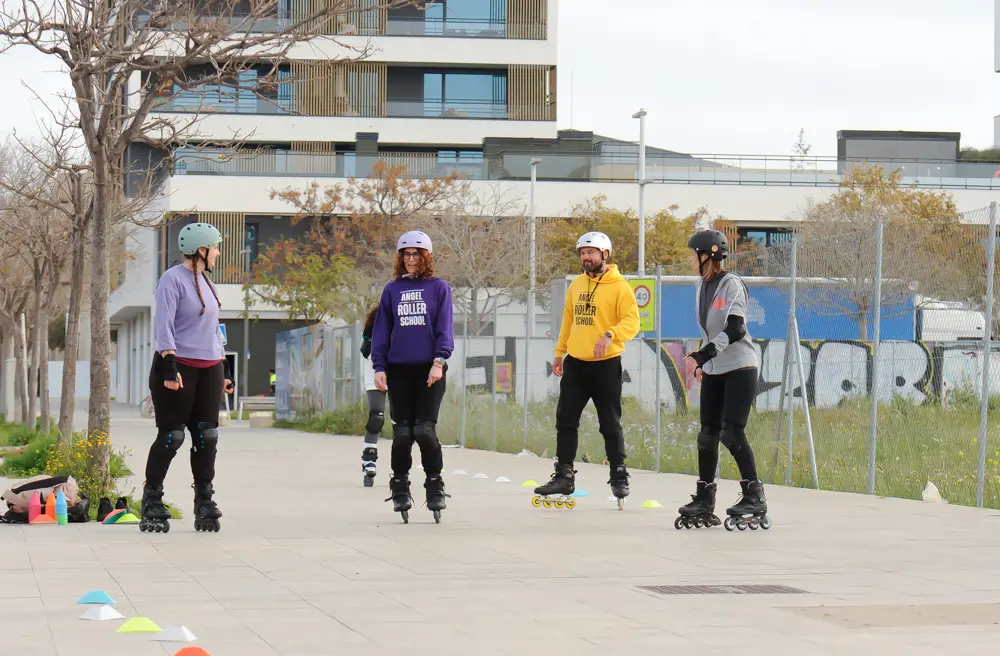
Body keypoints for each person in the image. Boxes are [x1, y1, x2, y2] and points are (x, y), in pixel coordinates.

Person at [533, 231, 640, 509]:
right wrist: (560, 354)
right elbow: (568, 322)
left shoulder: (619, 287)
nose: (586, 258)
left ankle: (619, 474)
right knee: (565, 419)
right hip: (576, 364)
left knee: (610, 423)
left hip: (606, 365)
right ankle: (564, 475)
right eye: (582, 253)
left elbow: (632, 321)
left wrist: (609, 335)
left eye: (591, 253)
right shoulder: (576, 285)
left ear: (604, 254)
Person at [142, 222, 234, 534]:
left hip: (209, 367)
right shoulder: (172, 280)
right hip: (177, 366)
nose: (218, 253)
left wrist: (225, 370)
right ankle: (152, 499)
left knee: (207, 435)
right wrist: (169, 367)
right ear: (201, 250)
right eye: (215, 247)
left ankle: (204, 501)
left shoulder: (207, 281)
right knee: (172, 436)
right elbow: (164, 325)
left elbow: (211, 328)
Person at [675, 229, 770, 531]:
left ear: (708, 255)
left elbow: (736, 329)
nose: (691, 260)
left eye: (694, 255)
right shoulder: (701, 286)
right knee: (707, 435)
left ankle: (754, 495)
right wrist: (706, 360)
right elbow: (707, 330)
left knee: (732, 432)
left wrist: (701, 356)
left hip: (741, 365)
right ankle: (704, 498)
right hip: (716, 368)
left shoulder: (732, 285)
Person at [371, 230, 455, 522]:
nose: (410, 259)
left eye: (416, 255)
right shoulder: (392, 290)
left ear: (426, 258)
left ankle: (435, 485)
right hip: (399, 370)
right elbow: (381, 332)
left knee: (424, 430)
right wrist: (379, 367)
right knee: (403, 433)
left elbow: (445, 327)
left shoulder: (438, 288)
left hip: (430, 368)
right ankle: (400, 485)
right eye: (406, 254)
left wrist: (439, 361)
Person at [359, 305, 386, 487]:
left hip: (400, 370)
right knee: (376, 415)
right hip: (376, 370)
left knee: (401, 420)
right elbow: (364, 349)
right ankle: (369, 460)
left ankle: (401, 463)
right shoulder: (377, 319)